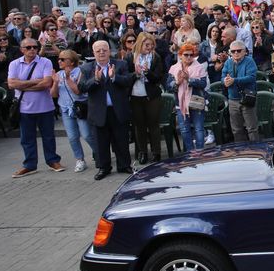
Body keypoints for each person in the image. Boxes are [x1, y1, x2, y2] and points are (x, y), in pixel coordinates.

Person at [80, 40, 134, 180]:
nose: (102, 52)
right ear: (94, 53)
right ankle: (104, 168)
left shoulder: (120, 64)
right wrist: (95, 80)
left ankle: (124, 165)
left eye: (104, 49)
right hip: (98, 112)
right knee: (100, 142)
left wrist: (114, 77)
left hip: (117, 110)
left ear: (110, 51)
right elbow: (82, 87)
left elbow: (128, 81)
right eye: (98, 51)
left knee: (121, 140)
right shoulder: (86, 68)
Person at [8, 39, 61, 177]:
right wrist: (35, 82)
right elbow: (11, 83)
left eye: (35, 47)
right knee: (27, 138)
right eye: (28, 47)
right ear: (22, 49)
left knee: (48, 136)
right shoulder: (14, 64)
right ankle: (30, 165)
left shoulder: (45, 62)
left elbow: (46, 83)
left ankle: (53, 161)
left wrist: (23, 84)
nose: (32, 49)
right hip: (24, 108)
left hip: (45, 107)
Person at [50, 49, 96, 172]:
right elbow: (54, 95)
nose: (59, 61)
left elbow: (78, 91)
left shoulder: (80, 72)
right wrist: (55, 83)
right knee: (72, 137)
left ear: (71, 61)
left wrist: (69, 79)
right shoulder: (59, 74)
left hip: (80, 108)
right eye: (59, 59)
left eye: (62, 59)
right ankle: (80, 159)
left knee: (87, 135)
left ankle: (99, 153)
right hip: (65, 109)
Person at [125, 32, 165, 165]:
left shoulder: (155, 57)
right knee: (139, 126)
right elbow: (125, 77)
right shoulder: (130, 56)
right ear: (140, 43)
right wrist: (135, 74)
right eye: (147, 44)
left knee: (154, 125)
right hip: (135, 96)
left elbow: (159, 77)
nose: (149, 47)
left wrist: (148, 72)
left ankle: (156, 152)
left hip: (152, 96)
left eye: (151, 44)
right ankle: (142, 152)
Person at [167, 43, 209, 152]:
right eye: (186, 55)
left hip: (196, 102)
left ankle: (200, 152)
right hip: (180, 104)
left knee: (199, 129)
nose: (189, 57)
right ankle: (190, 154)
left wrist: (189, 79)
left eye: (191, 55)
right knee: (184, 130)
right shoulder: (174, 68)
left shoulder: (199, 67)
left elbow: (203, 84)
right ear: (180, 55)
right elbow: (168, 86)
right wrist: (177, 82)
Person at [222, 40, 259, 142]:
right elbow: (223, 76)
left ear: (244, 51)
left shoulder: (249, 61)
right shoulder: (228, 62)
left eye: (238, 50)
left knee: (252, 128)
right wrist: (225, 81)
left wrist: (234, 80)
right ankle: (241, 152)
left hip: (247, 98)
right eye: (233, 51)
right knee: (236, 129)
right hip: (233, 99)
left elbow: (251, 77)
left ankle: (255, 151)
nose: (236, 53)